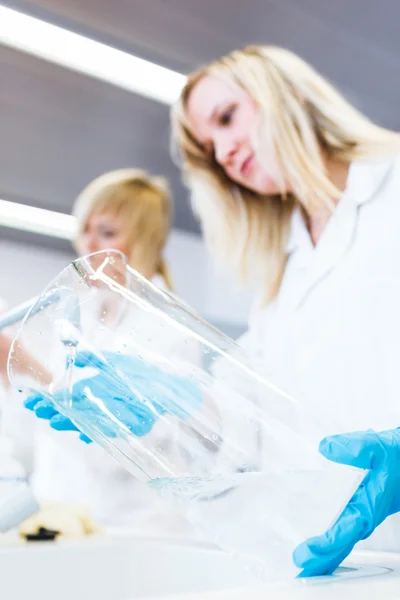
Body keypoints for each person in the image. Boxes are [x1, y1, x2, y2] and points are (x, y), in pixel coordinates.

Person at [168, 44, 400, 573]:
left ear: (288, 93)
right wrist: (153, 405)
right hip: (347, 563)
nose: (223, 153)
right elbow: (251, 416)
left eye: (227, 119)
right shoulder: (281, 278)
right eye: (209, 149)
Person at [0, 168, 196, 536]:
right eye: (84, 231)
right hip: (63, 519)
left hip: (132, 527)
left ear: (146, 242)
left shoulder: (167, 329)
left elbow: (123, 448)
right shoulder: (79, 315)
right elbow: (31, 435)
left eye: (106, 234)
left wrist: (32, 367)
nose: (88, 247)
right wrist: (11, 373)